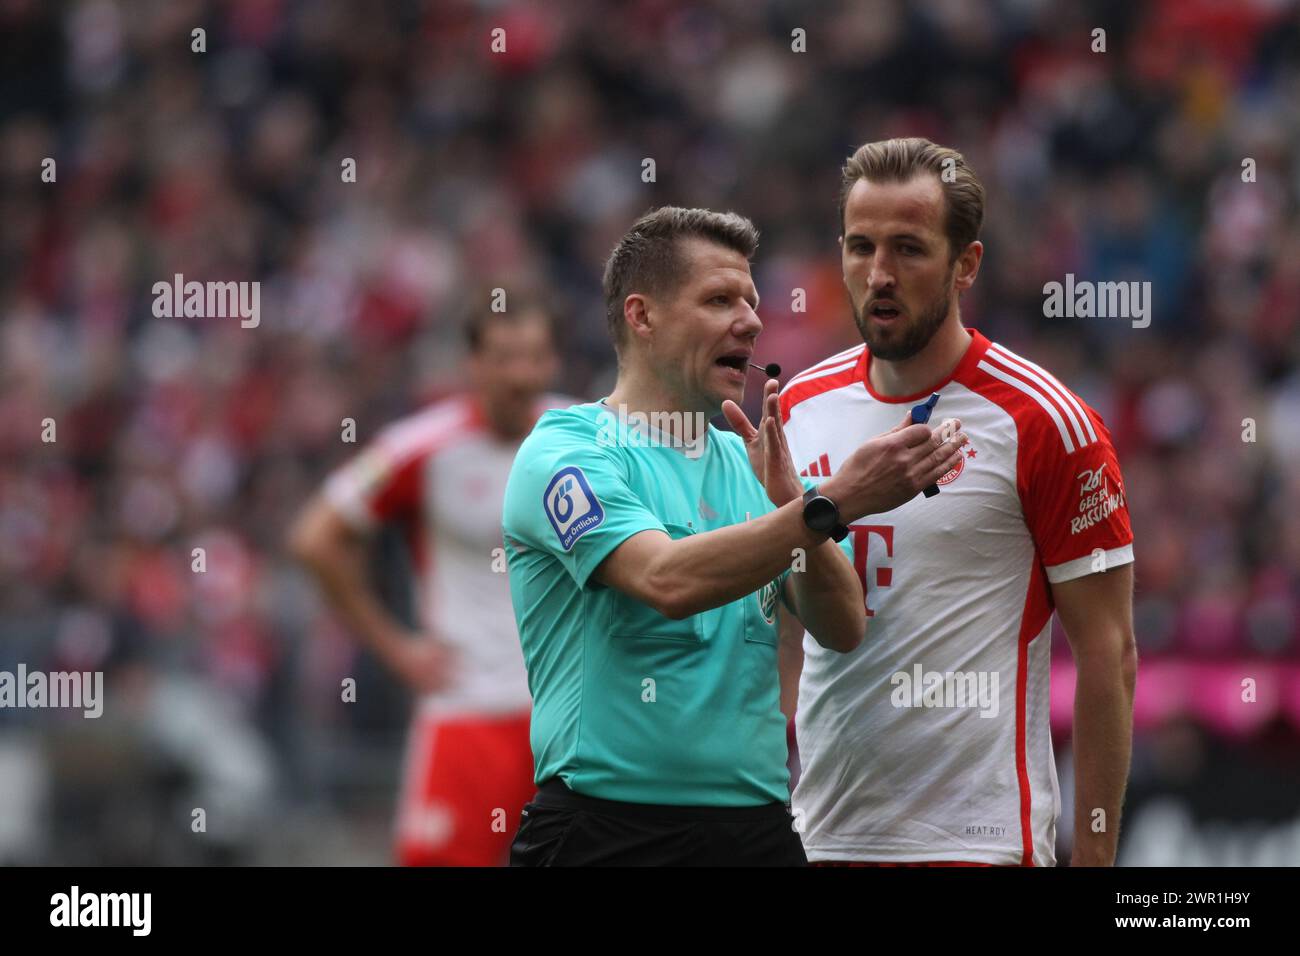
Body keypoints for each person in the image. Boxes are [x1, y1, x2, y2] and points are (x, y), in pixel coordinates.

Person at [501, 206, 968, 866]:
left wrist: (798, 503)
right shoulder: (566, 453)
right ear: (642, 316)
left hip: (756, 833)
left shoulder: (756, 467)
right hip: (606, 834)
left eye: (751, 302)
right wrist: (832, 504)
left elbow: (841, 627)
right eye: (719, 299)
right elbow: (666, 579)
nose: (750, 320)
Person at [779, 137, 1138, 867]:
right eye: (860, 247)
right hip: (821, 840)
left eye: (908, 249)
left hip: (979, 844)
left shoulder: (1044, 421)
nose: (878, 275)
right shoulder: (797, 408)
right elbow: (787, 632)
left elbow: (1109, 654)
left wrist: (1096, 862)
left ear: (965, 264)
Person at [288, 302, 566, 866]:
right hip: (467, 708)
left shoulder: (585, 437)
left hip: (568, 716)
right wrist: (395, 647)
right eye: (505, 358)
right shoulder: (423, 446)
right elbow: (315, 538)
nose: (520, 375)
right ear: (472, 364)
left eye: (534, 358)